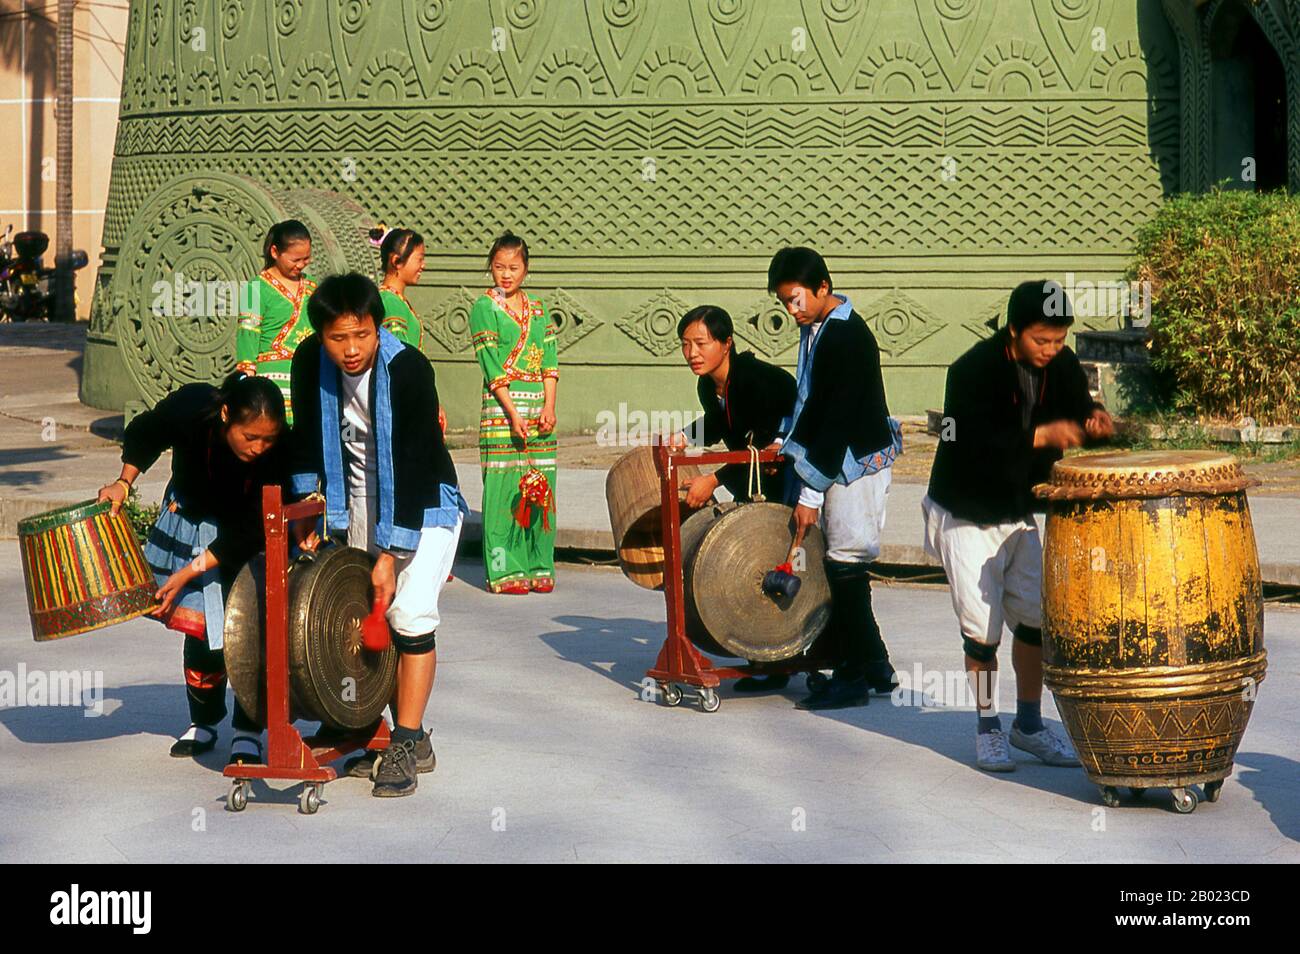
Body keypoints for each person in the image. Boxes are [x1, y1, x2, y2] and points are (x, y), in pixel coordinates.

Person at [923, 278, 1114, 773]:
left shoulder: (1064, 365)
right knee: (982, 633)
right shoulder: (970, 370)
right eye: (1041, 340)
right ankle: (988, 728)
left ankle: (1028, 724)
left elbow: (1076, 414)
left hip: (1021, 509)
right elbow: (969, 441)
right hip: (966, 510)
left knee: (1034, 621)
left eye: (1059, 339)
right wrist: (1038, 436)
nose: (1051, 350)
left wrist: (1093, 420)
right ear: (1013, 331)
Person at [289, 272, 466, 798]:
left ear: (377, 326)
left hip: (424, 503)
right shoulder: (307, 362)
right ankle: (365, 722)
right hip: (354, 505)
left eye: (361, 335)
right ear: (321, 333)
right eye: (338, 337)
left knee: (408, 616)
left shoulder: (407, 367)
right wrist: (305, 511)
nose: (350, 350)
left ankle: (408, 741)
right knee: (354, 615)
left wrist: (390, 553)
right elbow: (305, 440)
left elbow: (413, 464)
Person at [96, 374, 288, 764]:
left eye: (267, 439)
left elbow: (249, 531)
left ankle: (248, 731)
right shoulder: (191, 408)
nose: (259, 447)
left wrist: (187, 574)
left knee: (248, 630)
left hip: (246, 538)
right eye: (250, 437)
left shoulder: (278, 455)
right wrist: (123, 482)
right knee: (202, 628)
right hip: (193, 517)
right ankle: (204, 721)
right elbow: (147, 431)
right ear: (224, 415)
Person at [767, 247, 903, 711]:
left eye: (797, 298)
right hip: (841, 459)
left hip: (856, 465)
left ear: (823, 288)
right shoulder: (818, 328)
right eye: (785, 301)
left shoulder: (846, 337)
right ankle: (877, 666)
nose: (792, 309)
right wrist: (784, 441)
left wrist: (809, 490)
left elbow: (835, 421)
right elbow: (810, 403)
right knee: (845, 569)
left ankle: (851, 676)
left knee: (846, 567)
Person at [675, 305, 798, 692]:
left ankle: (844, 660)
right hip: (754, 479)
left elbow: (763, 448)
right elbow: (719, 425)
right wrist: (684, 437)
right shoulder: (707, 385)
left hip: (787, 478)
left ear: (726, 343)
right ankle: (769, 660)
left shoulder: (757, 382)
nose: (692, 352)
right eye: (685, 344)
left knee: (784, 566)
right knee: (758, 568)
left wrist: (712, 479)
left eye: (701, 343)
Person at [468, 231, 559, 594]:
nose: (506, 274)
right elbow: (491, 365)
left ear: (526, 269)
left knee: (540, 485)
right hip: (502, 407)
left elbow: (549, 362)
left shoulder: (539, 309)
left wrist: (549, 406)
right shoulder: (484, 307)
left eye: (514, 267)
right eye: (499, 267)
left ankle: (539, 562)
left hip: (538, 406)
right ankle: (505, 569)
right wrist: (512, 413)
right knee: (505, 486)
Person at [235, 220, 315, 426]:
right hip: (271, 379)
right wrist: (248, 374)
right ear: (274, 252)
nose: (301, 264)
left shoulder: (312, 287)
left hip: (307, 375)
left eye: (306, 258)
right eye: (295, 259)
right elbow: (249, 331)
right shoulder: (256, 288)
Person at [375, 226, 448, 436]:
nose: (423, 266)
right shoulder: (390, 302)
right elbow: (401, 360)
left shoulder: (397, 301)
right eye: (419, 259)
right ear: (397, 261)